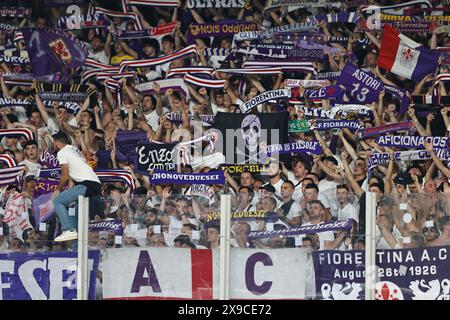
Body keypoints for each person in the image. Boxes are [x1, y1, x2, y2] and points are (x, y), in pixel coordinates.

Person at [51, 132, 101, 242]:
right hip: (94, 184)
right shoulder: (73, 149)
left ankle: (68, 230)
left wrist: (58, 190)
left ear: (56, 142)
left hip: (86, 184)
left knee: (57, 201)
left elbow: (65, 176)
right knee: (73, 209)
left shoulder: (62, 153)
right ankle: (75, 243)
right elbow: (73, 175)